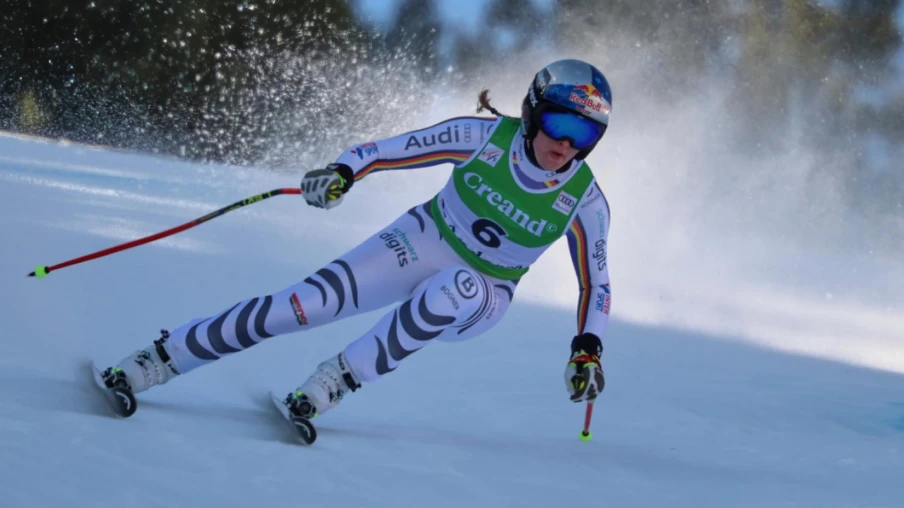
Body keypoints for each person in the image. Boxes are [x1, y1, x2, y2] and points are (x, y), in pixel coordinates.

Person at [101, 58, 613, 420]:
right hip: (422, 238)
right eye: (559, 122)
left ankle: (335, 382)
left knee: (453, 286)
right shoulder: (481, 139)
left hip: (485, 291)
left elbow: (597, 285)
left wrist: (586, 351)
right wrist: (341, 174)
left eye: (585, 134)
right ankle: (159, 359)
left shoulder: (586, 202)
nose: (566, 143)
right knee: (300, 305)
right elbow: (382, 150)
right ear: (531, 111)